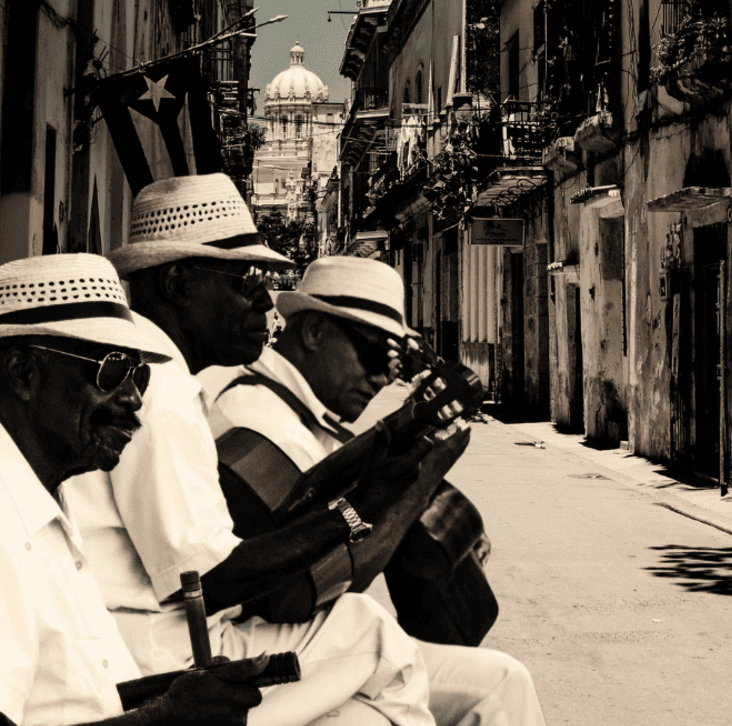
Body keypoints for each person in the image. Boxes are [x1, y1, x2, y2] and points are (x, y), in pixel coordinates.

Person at [60, 174, 444, 726]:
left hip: (155, 635)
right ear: (178, 283)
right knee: (375, 635)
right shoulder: (156, 387)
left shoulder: (151, 369)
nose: (266, 301)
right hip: (165, 655)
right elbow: (208, 579)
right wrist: (353, 512)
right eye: (246, 281)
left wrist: (379, 454)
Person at [0, 254, 268, 726]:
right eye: (111, 370)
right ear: (24, 372)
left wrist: (181, 694)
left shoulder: (30, 495)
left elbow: (64, 699)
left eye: (139, 375)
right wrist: (167, 718)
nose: (133, 399)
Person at [207, 256, 547, 726]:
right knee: (437, 684)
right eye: (375, 355)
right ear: (314, 332)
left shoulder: (288, 409)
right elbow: (326, 581)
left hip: (276, 636)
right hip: (243, 645)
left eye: (396, 361)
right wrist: (427, 473)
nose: (384, 376)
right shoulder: (261, 420)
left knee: (503, 681)